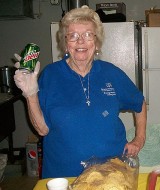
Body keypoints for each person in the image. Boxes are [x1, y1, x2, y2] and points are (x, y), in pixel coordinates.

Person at [14, 6, 146, 178]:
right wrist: (30, 94)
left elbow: (138, 102)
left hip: (111, 172)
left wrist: (139, 139)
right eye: (73, 36)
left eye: (88, 35)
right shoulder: (50, 75)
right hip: (63, 175)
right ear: (66, 44)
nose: (81, 41)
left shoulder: (112, 73)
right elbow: (42, 130)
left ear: (96, 43)